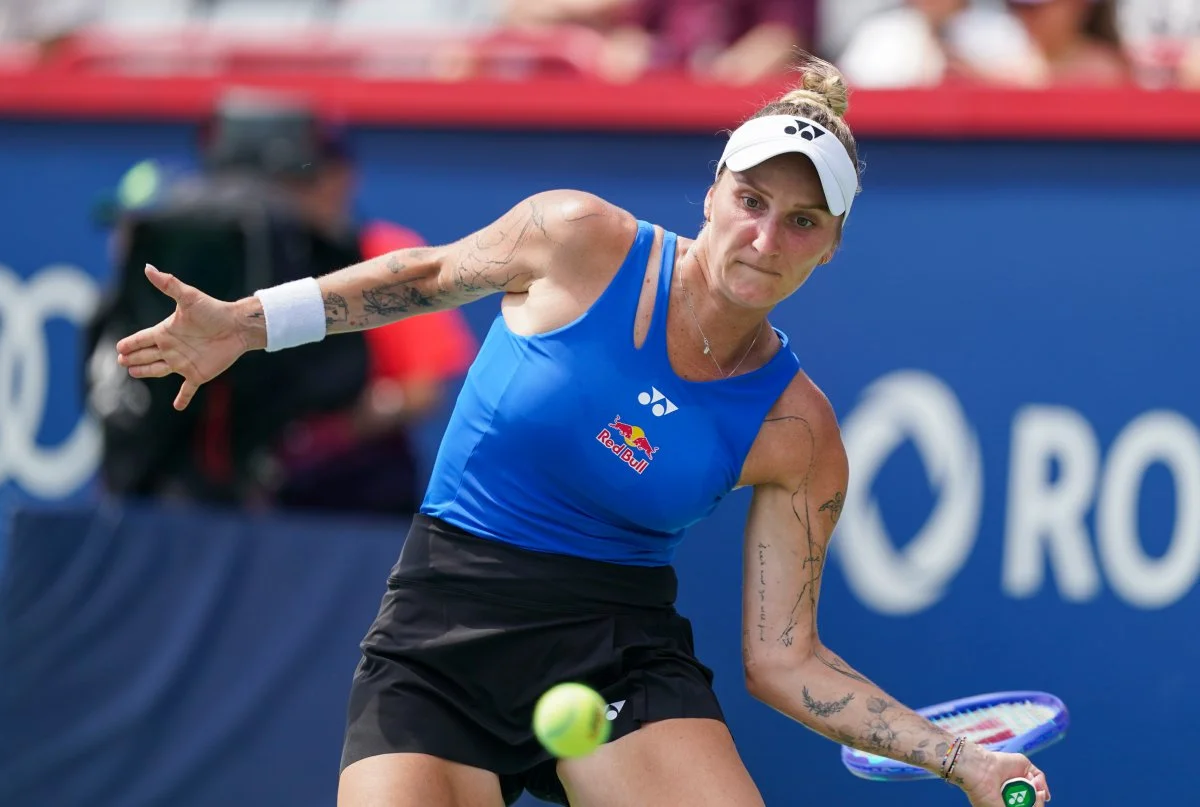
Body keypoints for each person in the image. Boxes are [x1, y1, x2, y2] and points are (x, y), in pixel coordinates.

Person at [114, 54, 1052, 807]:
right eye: (752, 204)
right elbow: (428, 274)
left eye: (802, 221)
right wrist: (248, 323)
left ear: (833, 242)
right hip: (442, 631)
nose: (765, 240)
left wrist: (956, 756)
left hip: (618, 653)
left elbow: (784, 658)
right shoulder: (579, 239)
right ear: (714, 193)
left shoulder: (798, 429)